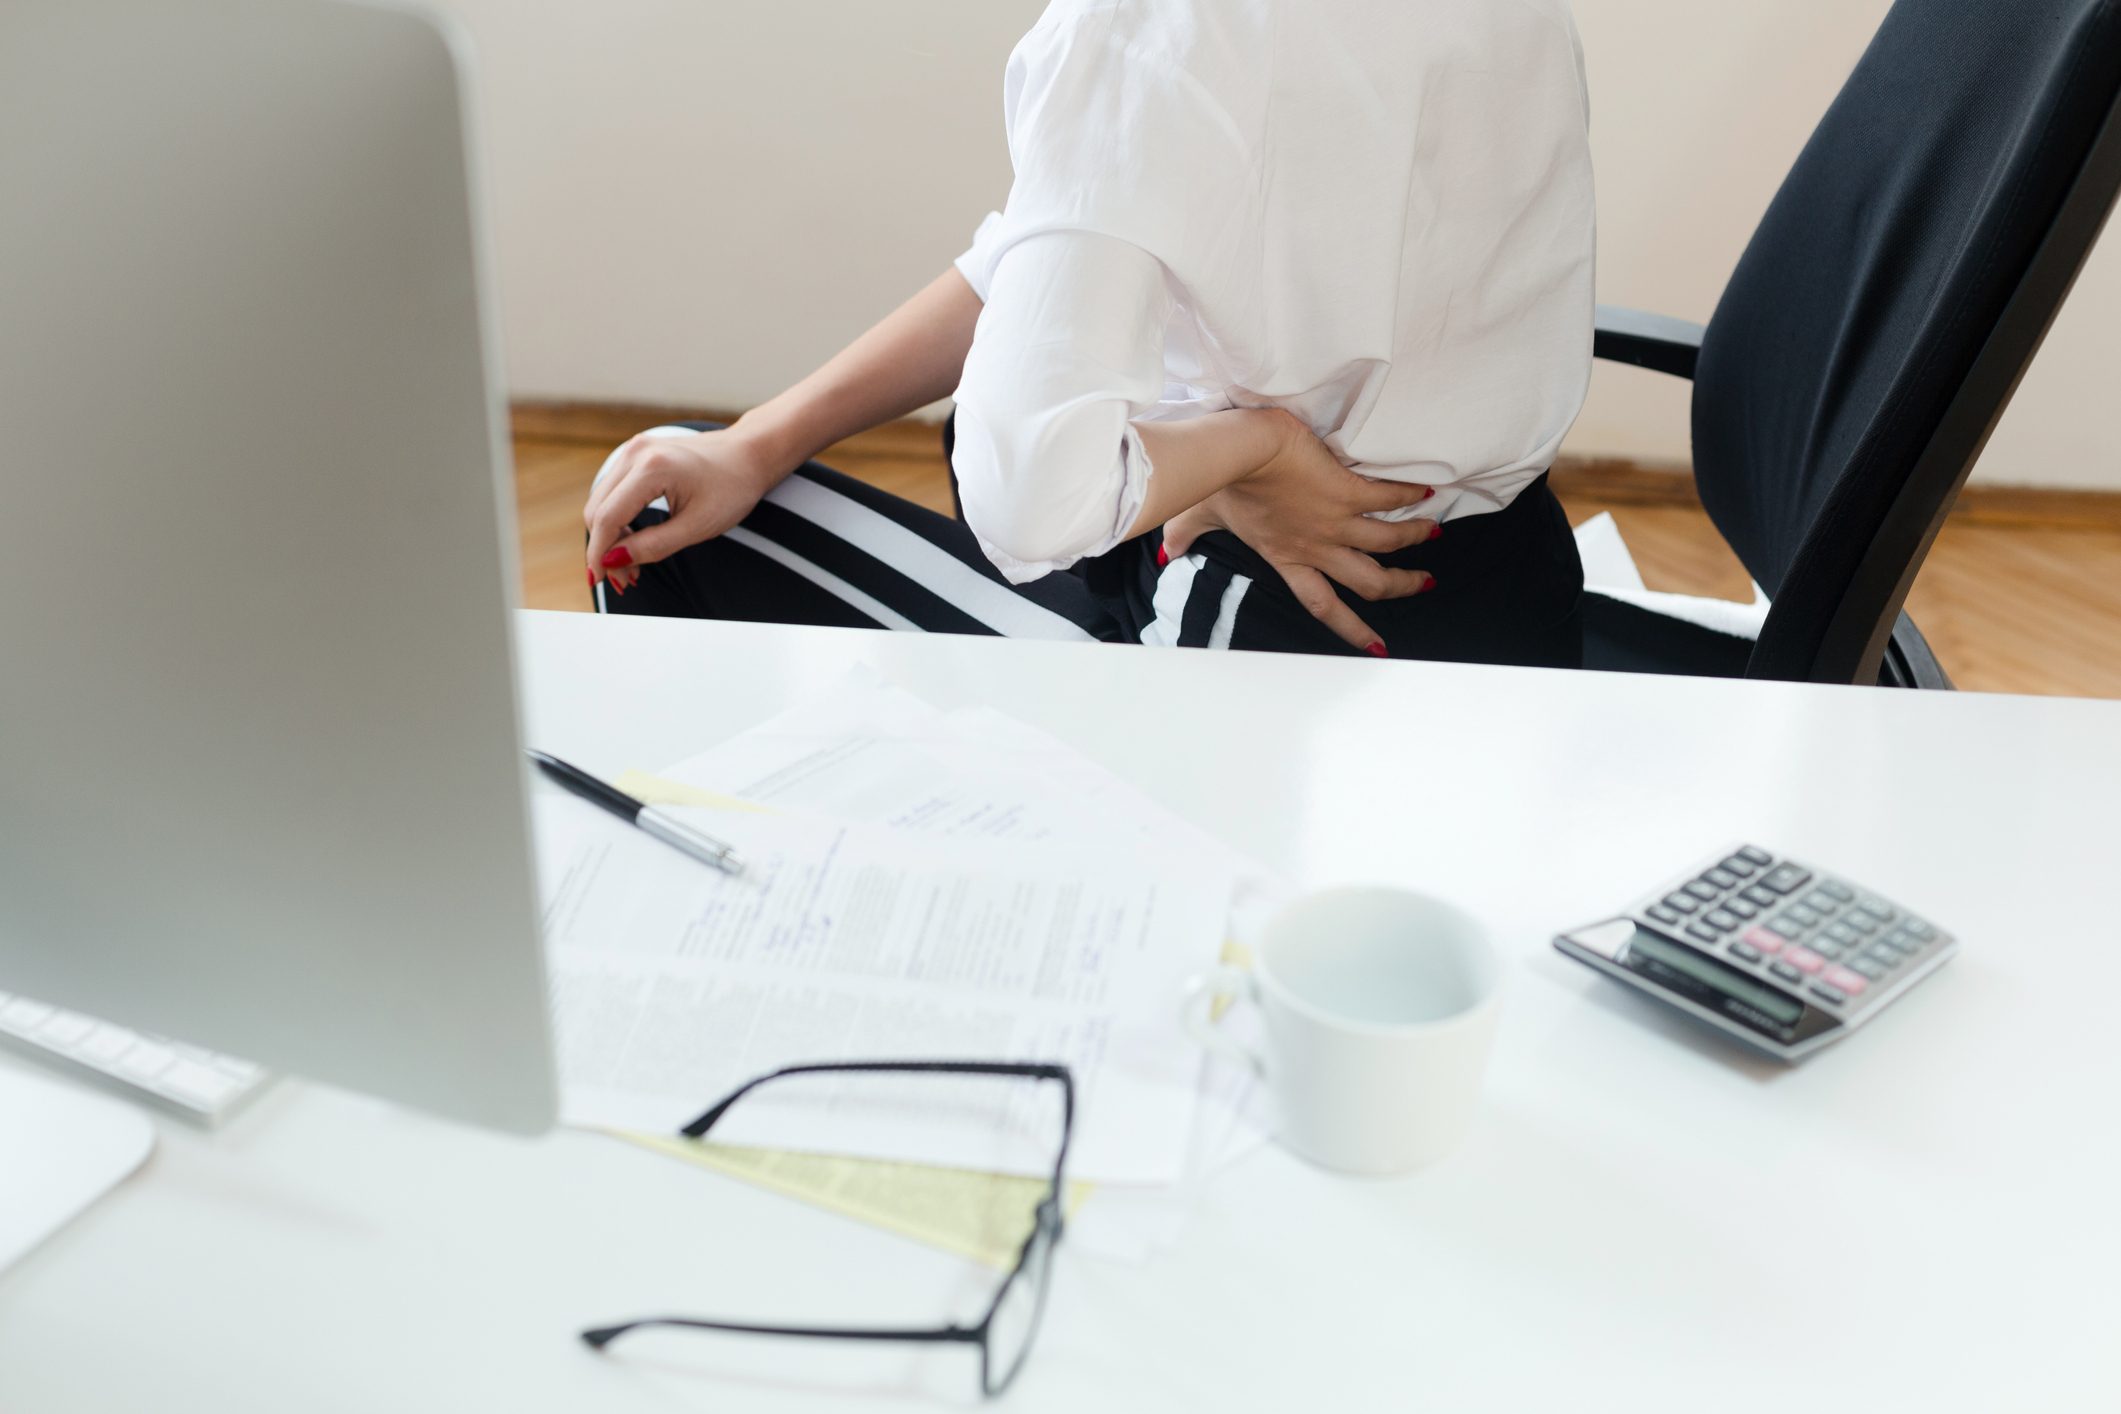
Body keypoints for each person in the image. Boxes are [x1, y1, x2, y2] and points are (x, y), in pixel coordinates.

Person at [584, 0, 1595, 665]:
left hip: (1276, 636)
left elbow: (1030, 499)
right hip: (1509, 586)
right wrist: (760, 440)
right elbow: (1050, 251)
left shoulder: (1158, 27)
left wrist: (1258, 450)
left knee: (654, 532)